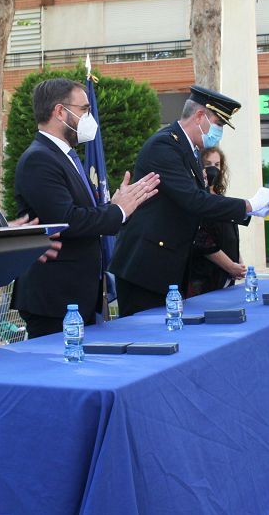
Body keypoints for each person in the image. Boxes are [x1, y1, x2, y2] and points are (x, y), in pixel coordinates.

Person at [110, 86, 269, 317]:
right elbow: (195, 201)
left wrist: (248, 210)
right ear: (200, 116)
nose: (219, 131)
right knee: (146, 340)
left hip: (168, 266)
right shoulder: (165, 145)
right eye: (218, 123)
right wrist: (249, 205)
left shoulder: (189, 150)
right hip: (146, 268)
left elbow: (200, 205)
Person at [12, 78, 159, 337]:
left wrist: (114, 207)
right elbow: (66, 219)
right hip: (54, 300)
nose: (90, 119)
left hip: (78, 296)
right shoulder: (39, 159)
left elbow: (81, 213)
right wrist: (118, 211)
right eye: (84, 110)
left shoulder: (65, 156)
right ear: (60, 112)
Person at [187, 146, 246, 296]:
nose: (213, 169)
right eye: (208, 164)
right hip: (205, 279)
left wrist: (238, 262)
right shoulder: (196, 199)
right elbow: (203, 241)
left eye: (217, 165)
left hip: (226, 277)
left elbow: (230, 234)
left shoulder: (220, 198)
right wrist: (230, 266)